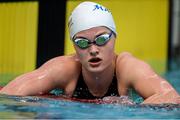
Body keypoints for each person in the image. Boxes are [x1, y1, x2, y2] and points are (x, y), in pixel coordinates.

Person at [0, 1, 179, 104]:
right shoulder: (64, 68)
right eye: (82, 43)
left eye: (102, 39)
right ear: (75, 48)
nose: (93, 50)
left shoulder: (128, 67)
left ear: (114, 37)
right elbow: (7, 95)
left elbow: (171, 97)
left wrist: (129, 108)